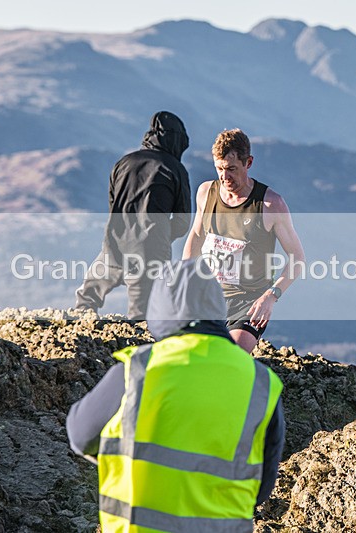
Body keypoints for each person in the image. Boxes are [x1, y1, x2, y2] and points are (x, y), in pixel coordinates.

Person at [67, 259, 285, 532]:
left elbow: (80, 437)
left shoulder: (138, 370)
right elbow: (262, 488)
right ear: (218, 306)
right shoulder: (261, 383)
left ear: (159, 307)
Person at [182, 129, 305, 353]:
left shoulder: (270, 204)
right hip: (208, 296)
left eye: (231, 169)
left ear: (248, 163)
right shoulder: (206, 193)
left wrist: (271, 296)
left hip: (248, 304)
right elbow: (197, 236)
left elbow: (297, 258)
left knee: (230, 357)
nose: (224, 177)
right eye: (219, 168)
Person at [75, 111, 191, 320]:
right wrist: (163, 236)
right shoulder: (175, 169)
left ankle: (78, 333)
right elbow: (182, 222)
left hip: (114, 243)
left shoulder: (124, 163)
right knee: (142, 317)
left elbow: (113, 205)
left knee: (86, 300)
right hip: (151, 251)